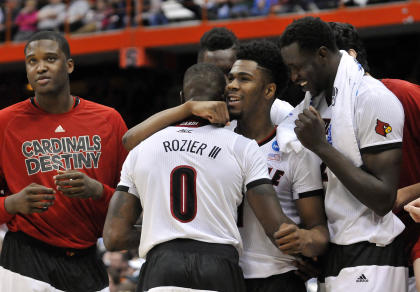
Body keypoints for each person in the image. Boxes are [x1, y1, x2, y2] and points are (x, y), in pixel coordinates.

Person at [103, 63, 296, 292]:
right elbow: (275, 227)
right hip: (218, 265)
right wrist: (310, 248)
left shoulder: (141, 149)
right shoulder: (242, 147)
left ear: (183, 97)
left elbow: (114, 237)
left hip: (161, 264)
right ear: (224, 99)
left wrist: (164, 228)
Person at [279, 16, 407, 292]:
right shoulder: (318, 103)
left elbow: (383, 198)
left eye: (298, 67)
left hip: (372, 249)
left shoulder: (372, 98)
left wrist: (321, 146)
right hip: (336, 249)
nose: (294, 77)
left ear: (323, 54)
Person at [0, 31, 127, 291]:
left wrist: (98, 191)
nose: (40, 67)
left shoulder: (109, 120)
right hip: (25, 255)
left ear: (69, 65)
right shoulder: (4, 122)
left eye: (50, 58)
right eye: (32, 61)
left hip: (87, 257)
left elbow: (133, 200)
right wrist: (11, 203)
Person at [226, 39, 328, 292]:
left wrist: (305, 239)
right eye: (230, 78)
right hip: (223, 277)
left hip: (278, 278)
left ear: (269, 90)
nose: (232, 86)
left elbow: (319, 232)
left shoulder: (293, 149)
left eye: (244, 79)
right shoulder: (216, 142)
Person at [329, 21, 420, 292]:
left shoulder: (402, 94)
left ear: (350, 57)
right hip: (362, 256)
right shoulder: (318, 116)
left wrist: (404, 195)